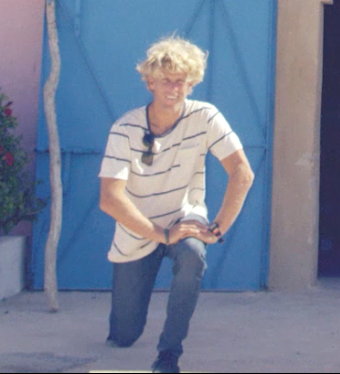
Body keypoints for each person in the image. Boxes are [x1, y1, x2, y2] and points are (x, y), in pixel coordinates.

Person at [99, 35, 255, 374]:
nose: (173, 88)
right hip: (137, 230)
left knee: (193, 254)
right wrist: (161, 234)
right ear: (150, 82)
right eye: (165, 80)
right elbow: (110, 198)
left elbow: (242, 172)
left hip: (184, 218)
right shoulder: (125, 128)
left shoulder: (205, 116)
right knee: (124, 334)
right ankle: (125, 324)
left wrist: (217, 228)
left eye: (180, 81)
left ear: (191, 83)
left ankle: (168, 355)